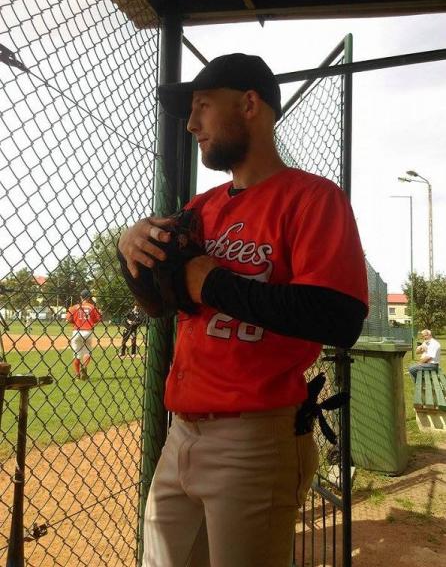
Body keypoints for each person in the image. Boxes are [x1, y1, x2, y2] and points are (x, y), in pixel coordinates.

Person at [117, 53, 368, 567]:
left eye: (203, 105)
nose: (191, 124)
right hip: (180, 432)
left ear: (250, 104)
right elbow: (160, 303)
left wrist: (212, 283)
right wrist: (131, 252)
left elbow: (338, 317)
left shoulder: (313, 198)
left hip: (255, 439)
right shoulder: (200, 207)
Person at [66, 290, 102, 380]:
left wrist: (75, 321)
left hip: (76, 331)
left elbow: (68, 319)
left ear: (80, 297)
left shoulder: (74, 307)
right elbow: (97, 319)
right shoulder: (92, 307)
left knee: (76, 354)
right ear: (89, 297)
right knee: (87, 352)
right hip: (88, 332)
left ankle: (77, 374)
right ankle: (84, 367)